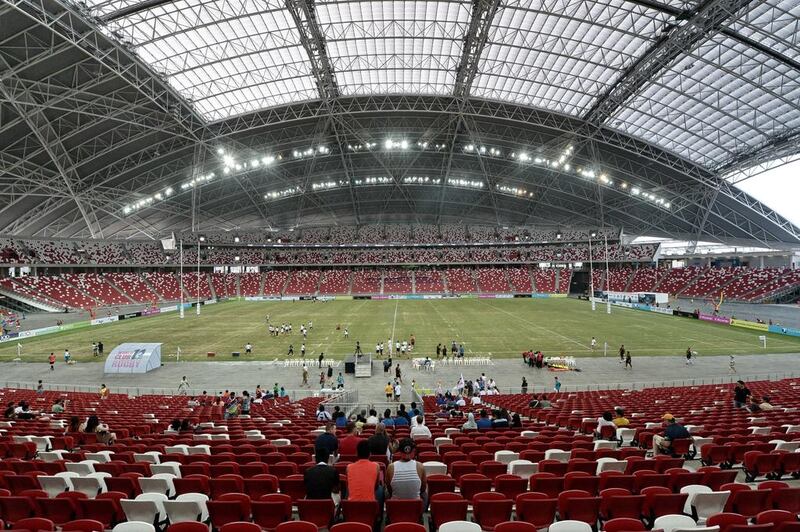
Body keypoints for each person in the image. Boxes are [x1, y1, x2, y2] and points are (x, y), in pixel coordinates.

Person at [386, 438, 427, 502]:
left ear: (399, 452)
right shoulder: (420, 466)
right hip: (415, 507)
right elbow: (423, 489)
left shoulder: (391, 467)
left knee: (385, 492)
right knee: (425, 494)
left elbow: (389, 489)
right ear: (413, 451)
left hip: (395, 506)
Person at [347, 440, 383, 505]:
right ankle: (380, 513)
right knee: (380, 488)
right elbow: (376, 486)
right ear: (370, 453)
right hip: (370, 507)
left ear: (357, 453)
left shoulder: (348, 467)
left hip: (352, 507)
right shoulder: (376, 466)